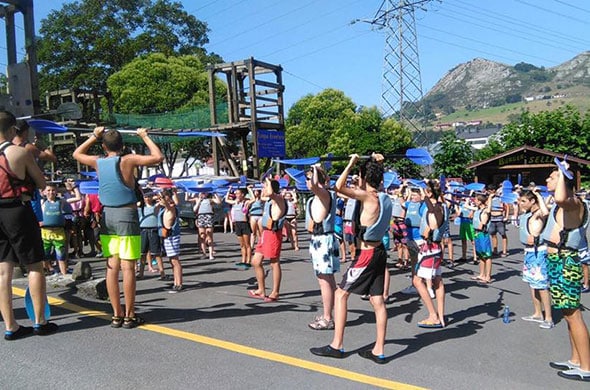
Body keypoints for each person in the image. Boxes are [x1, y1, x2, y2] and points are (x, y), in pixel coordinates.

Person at [73, 126, 164, 329]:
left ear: (104, 146)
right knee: (128, 267)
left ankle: (116, 315)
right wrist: (144, 136)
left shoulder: (98, 161)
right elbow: (157, 157)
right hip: (126, 215)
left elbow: (76, 153)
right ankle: (130, 315)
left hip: (107, 216)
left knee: (111, 266)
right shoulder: (128, 160)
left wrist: (94, 136)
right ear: (122, 146)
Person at [310, 153, 392, 364]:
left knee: (340, 294)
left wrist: (352, 162)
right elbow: (375, 176)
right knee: (377, 300)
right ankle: (378, 350)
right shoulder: (383, 196)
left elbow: (338, 186)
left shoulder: (367, 196)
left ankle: (337, 345)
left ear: (364, 177)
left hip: (366, 254)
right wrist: (376, 162)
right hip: (379, 252)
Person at [0, 110, 58, 339]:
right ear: (13, 129)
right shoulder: (18, 153)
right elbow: (41, 181)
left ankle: (10, 326)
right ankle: (39, 321)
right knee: (34, 265)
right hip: (17, 210)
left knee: (4, 271)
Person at [541, 163, 590, 382]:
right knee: (567, 313)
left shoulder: (574, 203)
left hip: (565, 261)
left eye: (552, 177)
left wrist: (561, 172)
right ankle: (575, 359)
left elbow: (561, 198)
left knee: (573, 314)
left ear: (564, 182)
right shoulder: (562, 205)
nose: (547, 181)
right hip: (556, 260)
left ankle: (587, 367)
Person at [305, 164, 340, 330]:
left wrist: (315, 170)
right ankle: (332, 313)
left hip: (324, 240)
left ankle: (327, 318)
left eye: (310, 178)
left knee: (324, 281)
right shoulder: (316, 196)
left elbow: (314, 185)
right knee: (327, 280)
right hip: (318, 240)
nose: (308, 182)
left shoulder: (325, 194)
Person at [517, 189, 553, 329]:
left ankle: (548, 318)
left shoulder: (537, 214)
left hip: (539, 253)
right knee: (532, 284)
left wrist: (538, 195)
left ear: (532, 202)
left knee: (542, 286)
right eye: (520, 201)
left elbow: (545, 212)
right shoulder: (526, 215)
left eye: (523, 201)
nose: (520, 204)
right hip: (529, 252)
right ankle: (538, 313)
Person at [247, 177, 287, 303]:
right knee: (255, 261)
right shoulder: (269, 200)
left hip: (273, 234)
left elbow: (271, 193)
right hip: (265, 233)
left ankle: (275, 292)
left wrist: (268, 181)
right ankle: (261, 289)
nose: (263, 189)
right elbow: (265, 195)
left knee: (274, 262)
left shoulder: (278, 200)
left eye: (264, 187)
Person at [414, 180, 447, 328]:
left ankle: (434, 315)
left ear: (428, 193)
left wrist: (428, 231)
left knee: (418, 281)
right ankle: (440, 316)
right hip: (434, 249)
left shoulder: (436, 208)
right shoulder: (442, 206)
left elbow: (433, 225)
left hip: (430, 248)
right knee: (438, 281)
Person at [40, 183, 70, 276]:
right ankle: (46, 271)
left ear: (56, 191)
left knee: (61, 254)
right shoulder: (42, 202)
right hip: (45, 232)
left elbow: (78, 198)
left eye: (53, 190)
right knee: (45, 254)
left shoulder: (61, 201)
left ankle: (64, 273)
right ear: (44, 192)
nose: (51, 192)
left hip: (59, 232)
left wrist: (74, 187)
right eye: (48, 190)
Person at [158, 188, 183, 293]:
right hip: (167, 235)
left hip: (172, 236)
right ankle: (175, 282)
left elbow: (170, 203)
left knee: (175, 260)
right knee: (171, 260)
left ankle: (179, 283)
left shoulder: (171, 208)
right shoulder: (165, 208)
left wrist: (164, 196)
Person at [137, 191, 166, 280]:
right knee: (142, 253)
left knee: (156, 253)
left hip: (154, 230)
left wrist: (157, 196)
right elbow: (135, 203)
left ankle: (162, 273)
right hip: (143, 230)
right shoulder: (140, 207)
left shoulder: (157, 206)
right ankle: (141, 273)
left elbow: (163, 202)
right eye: (145, 197)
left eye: (149, 197)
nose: (147, 198)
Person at [225, 187, 252, 268]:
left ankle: (248, 261)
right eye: (235, 194)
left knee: (247, 244)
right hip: (237, 224)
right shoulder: (234, 202)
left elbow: (253, 199)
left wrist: (249, 189)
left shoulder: (246, 202)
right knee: (242, 245)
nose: (236, 195)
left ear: (242, 194)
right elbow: (226, 200)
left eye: (238, 193)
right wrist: (229, 190)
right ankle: (243, 260)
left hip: (244, 224)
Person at [190, 191, 222, 260]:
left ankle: (210, 254)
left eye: (204, 192)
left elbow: (219, 202)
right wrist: (199, 200)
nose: (203, 194)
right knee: (202, 236)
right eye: (202, 193)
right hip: (201, 216)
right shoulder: (198, 200)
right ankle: (204, 253)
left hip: (209, 216)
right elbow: (194, 209)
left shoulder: (210, 200)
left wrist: (215, 193)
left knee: (209, 236)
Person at [471, 193, 493, 283]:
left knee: (487, 256)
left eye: (476, 200)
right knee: (480, 255)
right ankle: (481, 274)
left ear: (480, 201)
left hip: (483, 234)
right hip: (477, 234)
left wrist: (490, 198)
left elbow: (488, 210)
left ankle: (488, 276)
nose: (474, 201)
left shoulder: (485, 211)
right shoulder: (477, 210)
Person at [487, 184, 509, 257]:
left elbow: (507, 206)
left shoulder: (500, 197)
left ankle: (504, 251)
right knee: (493, 234)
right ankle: (495, 250)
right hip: (492, 218)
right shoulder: (489, 198)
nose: (488, 192)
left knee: (503, 235)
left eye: (490, 191)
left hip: (499, 218)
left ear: (493, 190)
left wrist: (506, 216)